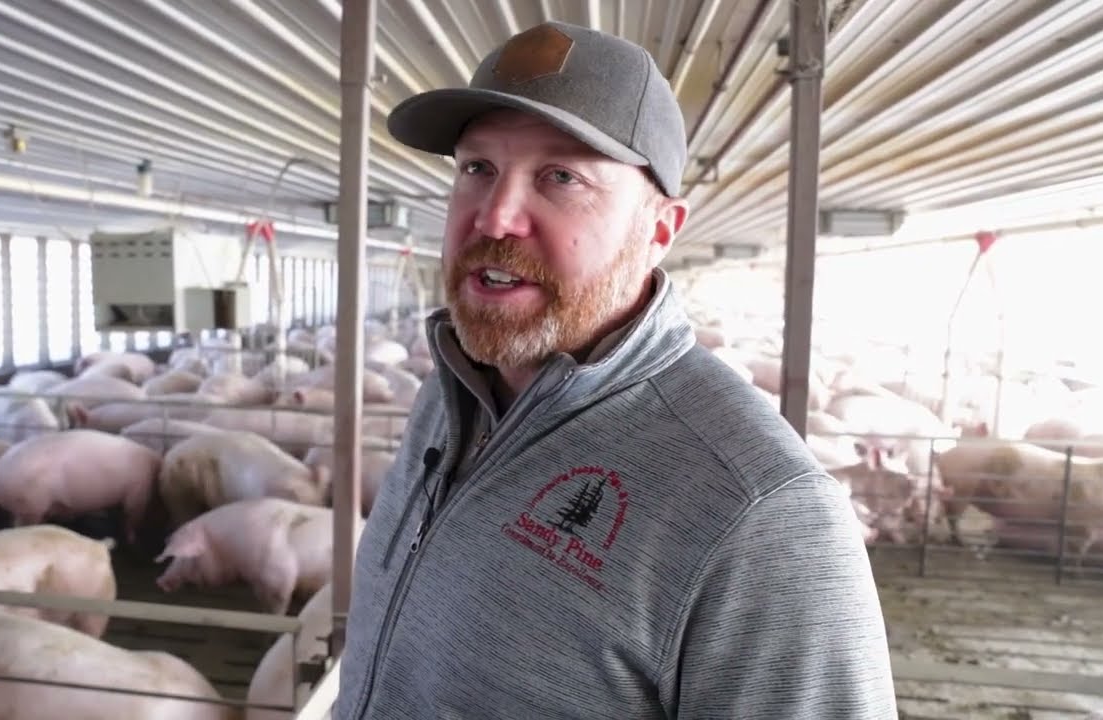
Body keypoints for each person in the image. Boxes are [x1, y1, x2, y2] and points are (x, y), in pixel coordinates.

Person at [335, 20, 898, 720]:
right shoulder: (451, 392)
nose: (496, 217)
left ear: (659, 231)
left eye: (561, 177)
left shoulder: (763, 513)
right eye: (477, 169)